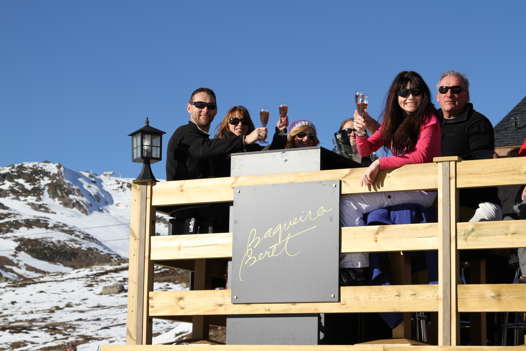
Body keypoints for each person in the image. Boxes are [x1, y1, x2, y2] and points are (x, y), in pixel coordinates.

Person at [339, 71, 441, 269]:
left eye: (416, 91)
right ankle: (358, 264)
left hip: (422, 189)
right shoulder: (394, 120)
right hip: (402, 186)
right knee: (348, 200)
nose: (410, 97)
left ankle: (356, 266)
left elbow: (421, 157)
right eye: (404, 92)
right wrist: (360, 131)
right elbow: (366, 148)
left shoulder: (429, 118)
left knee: (350, 201)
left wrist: (380, 163)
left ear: (424, 95)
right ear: (396, 96)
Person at [165, 88, 267, 234]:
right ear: (189, 107)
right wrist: (244, 139)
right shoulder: (185, 133)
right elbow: (201, 149)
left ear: (216, 111)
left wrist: (280, 134)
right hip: (188, 218)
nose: (205, 109)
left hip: (210, 219)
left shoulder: (208, 142)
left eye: (211, 106)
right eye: (200, 104)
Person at [436, 70, 502, 222]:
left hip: (477, 203)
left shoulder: (478, 123)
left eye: (456, 89)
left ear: (467, 95)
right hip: (439, 202)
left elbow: (480, 164)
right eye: (443, 89)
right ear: (438, 97)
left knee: (471, 234)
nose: (449, 94)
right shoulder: (429, 123)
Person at [213, 105, 287, 177]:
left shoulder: (253, 148)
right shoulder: (218, 145)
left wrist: (280, 131)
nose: (240, 124)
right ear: (227, 124)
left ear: (249, 125)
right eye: (234, 121)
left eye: (244, 121)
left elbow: (273, 152)